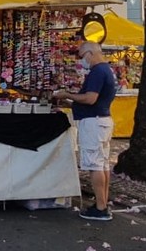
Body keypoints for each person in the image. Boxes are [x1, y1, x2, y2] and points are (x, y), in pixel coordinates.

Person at [53, 41, 118, 221]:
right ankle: (102, 203)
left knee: (95, 164)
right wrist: (71, 103)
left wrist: (67, 95)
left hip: (93, 123)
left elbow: (90, 99)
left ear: (90, 53)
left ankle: (101, 207)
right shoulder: (105, 70)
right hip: (101, 121)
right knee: (102, 164)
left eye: (82, 56)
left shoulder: (98, 71)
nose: (82, 61)